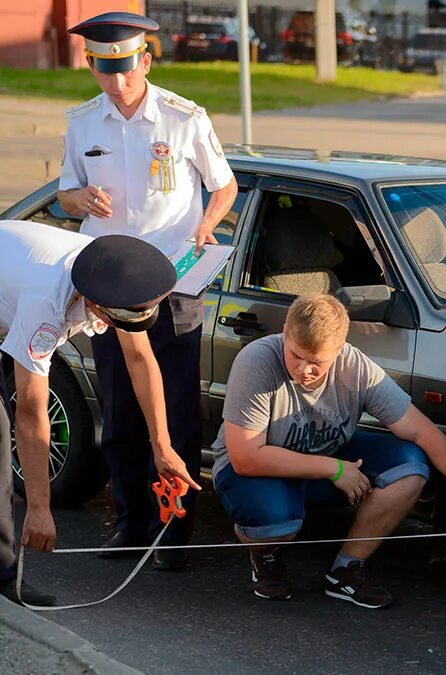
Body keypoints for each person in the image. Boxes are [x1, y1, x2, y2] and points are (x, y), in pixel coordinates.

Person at [55, 12, 237, 570]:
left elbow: (224, 184)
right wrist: (80, 202)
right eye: (104, 69)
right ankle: (131, 522)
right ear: (91, 65)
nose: (117, 81)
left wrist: (208, 221)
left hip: (173, 279)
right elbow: (65, 194)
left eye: (126, 67)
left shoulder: (184, 117)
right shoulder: (83, 122)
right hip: (109, 282)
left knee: (177, 414)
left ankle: (172, 533)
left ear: (146, 60)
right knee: (121, 409)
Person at [213, 294, 446, 609]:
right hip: (254, 469)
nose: (304, 370)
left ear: (340, 348)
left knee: (410, 468)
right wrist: (336, 469)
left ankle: (346, 570)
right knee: (276, 522)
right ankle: (266, 553)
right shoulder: (257, 360)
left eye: (317, 362)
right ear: (285, 332)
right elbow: (246, 457)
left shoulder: (356, 367)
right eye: (296, 356)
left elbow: (423, 432)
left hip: (324, 457)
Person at [0, 221, 201, 606]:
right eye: (113, 321)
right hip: (17, 300)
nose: (115, 328)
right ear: (93, 305)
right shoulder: (46, 304)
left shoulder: (113, 277)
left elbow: (141, 360)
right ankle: (6, 574)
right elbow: (30, 409)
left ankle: (4, 578)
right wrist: (40, 508)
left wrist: (162, 446)